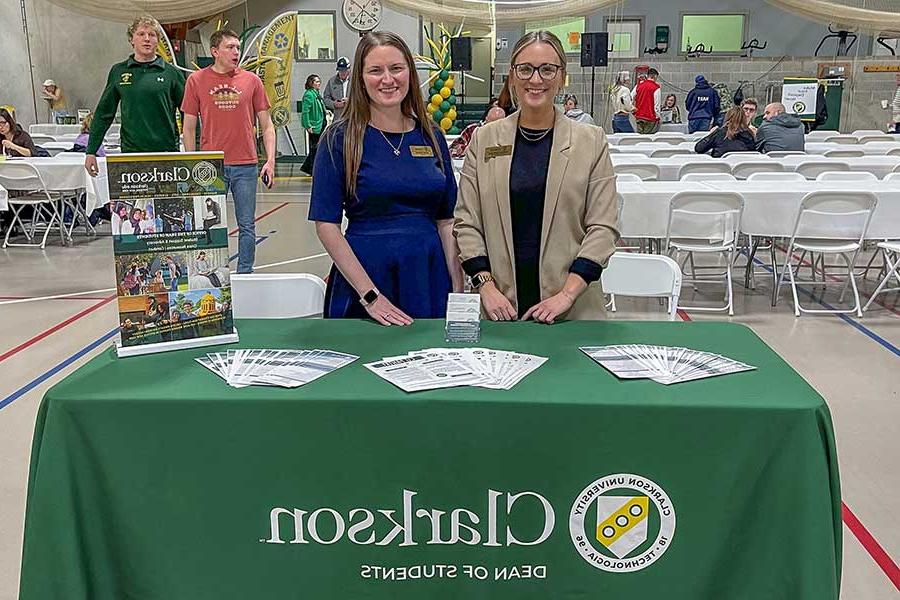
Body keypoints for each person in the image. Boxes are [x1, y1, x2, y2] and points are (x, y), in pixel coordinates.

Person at [454, 30, 619, 323]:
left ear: (561, 76)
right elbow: (467, 221)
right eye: (526, 69)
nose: (536, 79)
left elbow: (603, 227)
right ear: (513, 77)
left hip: (573, 309)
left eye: (547, 69)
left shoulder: (591, 141)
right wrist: (486, 286)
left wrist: (567, 295)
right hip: (499, 308)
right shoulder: (485, 140)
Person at [308, 31, 463, 324]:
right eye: (376, 70)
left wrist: (456, 280)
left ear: (410, 74)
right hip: (365, 279)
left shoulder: (431, 135)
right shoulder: (339, 139)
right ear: (361, 78)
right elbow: (326, 226)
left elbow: (446, 219)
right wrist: (370, 296)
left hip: (427, 276)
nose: (388, 79)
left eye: (396, 68)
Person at [182, 29, 276, 275]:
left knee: (247, 225)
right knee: (208, 225)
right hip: (211, 167)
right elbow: (189, 128)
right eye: (230, 47)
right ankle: (210, 272)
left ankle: (245, 272)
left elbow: (267, 125)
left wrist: (270, 161)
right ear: (215, 51)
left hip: (246, 164)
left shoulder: (252, 81)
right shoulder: (196, 81)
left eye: (238, 47)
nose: (236, 52)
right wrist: (193, 163)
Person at [85, 15, 185, 178]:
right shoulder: (119, 71)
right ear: (131, 39)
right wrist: (91, 151)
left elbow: (188, 113)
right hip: (131, 154)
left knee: (168, 204)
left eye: (152, 35)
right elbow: (104, 114)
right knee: (135, 204)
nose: (147, 39)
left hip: (167, 153)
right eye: (141, 34)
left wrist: (194, 152)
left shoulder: (172, 73)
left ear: (158, 40)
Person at [301, 74, 326, 175]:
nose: (318, 83)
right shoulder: (309, 95)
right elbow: (305, 111)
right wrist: (308, 125)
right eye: (316, 82)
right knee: (314, 148)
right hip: (314, 126)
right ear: (311, 83)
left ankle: (308, 167)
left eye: (319, 81)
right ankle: (311, 168)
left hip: (320, 124)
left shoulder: (316, 94)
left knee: (316, 147)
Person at [632, 67, 661, 134]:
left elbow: (630, 97)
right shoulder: (656, 87)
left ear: (648, 75)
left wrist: (633, 110)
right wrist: (658, 117)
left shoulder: (638, 85)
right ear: (655, 76)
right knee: (649, 140)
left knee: (640, 139)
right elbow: (656, 105)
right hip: (650, 118)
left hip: (639, 117)